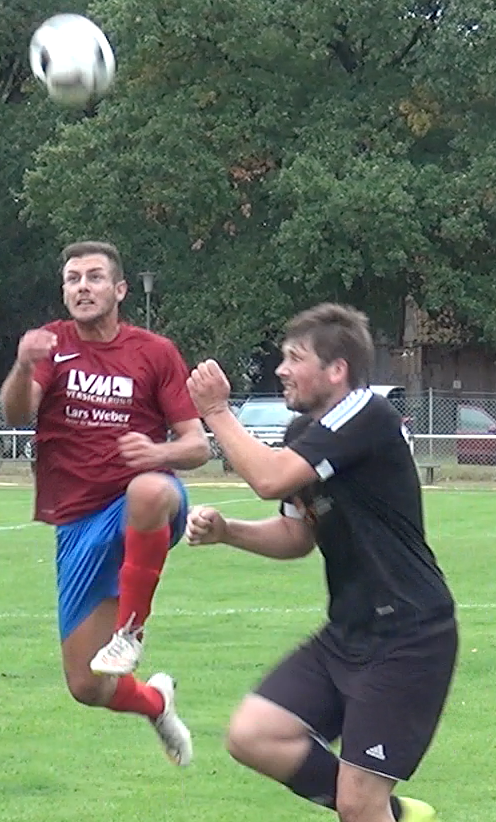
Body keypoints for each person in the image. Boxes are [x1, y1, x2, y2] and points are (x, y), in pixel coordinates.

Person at [185, 303, 457, 822]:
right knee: (253, 734)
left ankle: (375, 809)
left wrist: (217, 412)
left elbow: (269, 479)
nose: (281, 369)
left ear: (337, 371)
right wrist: (228, 533)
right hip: (348, 633)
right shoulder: (302, 436)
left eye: (295, 358)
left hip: (408, 637)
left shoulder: (365, 413)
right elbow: (296, 534)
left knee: (357, 805)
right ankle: (389, 812)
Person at [0, 240, 210, 766]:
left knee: (150, 487)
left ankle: (131, 630)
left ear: (119, 290)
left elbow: (197, 444)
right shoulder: (52, 347)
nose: (82, 287)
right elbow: (15, 414)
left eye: (94, 277)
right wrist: (24, 367)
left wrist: (156, 452)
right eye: (73, 279)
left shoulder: (155, 352)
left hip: (142, 505)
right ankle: (155, 703)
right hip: (76, 521)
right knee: (86, 685)